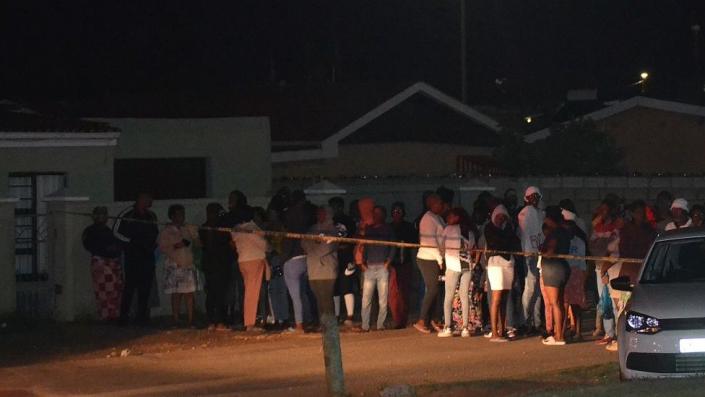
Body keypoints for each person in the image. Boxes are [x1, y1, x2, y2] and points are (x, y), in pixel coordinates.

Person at [114, 192, 159, 326]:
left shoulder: (151, 215)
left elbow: (155, 233)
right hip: (133, 256)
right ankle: (124, 316)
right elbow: (116, 232)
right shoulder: (128, 214)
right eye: (148, 199)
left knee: (145, 287)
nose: (151, 201)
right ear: (141, 199)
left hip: (147, 255)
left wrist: (152, 245)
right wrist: (132, 242)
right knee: (130, 286)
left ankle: (142, 316)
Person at [281, 190, 316, 332]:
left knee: (295, 295)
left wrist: (283, 258)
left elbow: (288, 243)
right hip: (306, 257)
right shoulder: (308, 215)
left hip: (292, 259)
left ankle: (299, 325)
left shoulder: (289, 218)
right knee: (304, 293)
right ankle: (309, 320)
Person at [438, 207, 476, 338]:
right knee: (464, 296)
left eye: (450, 216)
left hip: (453, 265)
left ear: (457, 217)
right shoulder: (470, 231)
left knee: (448, 296)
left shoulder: (448, 229)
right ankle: (465, 327)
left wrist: (443, 257)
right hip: (467, 266)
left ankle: (448, 326)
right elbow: (472, 248)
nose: (447, 219)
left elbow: (441, 246)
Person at [483, 205, 519, 342]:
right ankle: (494, 331)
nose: (501, 219)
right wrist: (506, 239)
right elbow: (496, 243)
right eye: (498, 216)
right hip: (496, 264)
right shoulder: (489, 228)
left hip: (508, 263)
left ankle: (502, 329)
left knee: (505, 298)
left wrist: (507, 235)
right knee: (496, 297)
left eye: (503, 217)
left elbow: (513, 242)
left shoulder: (509, 228)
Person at [358, 206, 396, 332]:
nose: (376, 216)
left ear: (384, 215)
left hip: (381, 266)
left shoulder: (388, 229)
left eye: (379, 213)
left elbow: (393, 246)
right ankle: (365, 325)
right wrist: (363, 262)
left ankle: (380, 325)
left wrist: (388, 261)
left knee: (383, 299)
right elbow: (365, 247)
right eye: (374, 213)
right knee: (366, 298)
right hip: (369, 265)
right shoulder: (369, 229)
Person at [82, 206, 123, 321]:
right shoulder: (90, 231)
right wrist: (107, 250)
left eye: (104, 214)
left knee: (114, 290)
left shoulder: (108, 231)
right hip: (100, 262)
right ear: (93, 216)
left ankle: (114, 314)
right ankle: (106, 315)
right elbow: (90, 246)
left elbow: (116, 246)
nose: (102, 217)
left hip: (112, 263)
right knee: (103, 291)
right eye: (99, 214)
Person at [159, 204, 198, 327]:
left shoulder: (187, 228)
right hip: (175, 265)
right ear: (172, 216)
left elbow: (198, 243)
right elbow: (163, 247)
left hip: (187, 264)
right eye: (179, 214)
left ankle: (191, 319)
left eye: (183, 214)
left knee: (190, 293)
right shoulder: (167, 231)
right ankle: (175, 319)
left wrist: (194, 234)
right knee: (176, 293)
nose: (182, 217)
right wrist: (178, 245)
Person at [590, 198, 622, 345]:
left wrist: (602, 244)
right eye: (600, 210)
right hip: (599, 266)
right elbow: (593, 246)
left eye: (605, 210)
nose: (602, 213)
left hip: (612, 267)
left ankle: (617, 334)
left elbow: (611, 248)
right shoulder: (597, 228)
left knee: (615, 300)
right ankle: (609, 333)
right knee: (604, 302)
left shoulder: (616, 226)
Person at [302, 206, 340, 327]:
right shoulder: (312, 229)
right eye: (318, 214)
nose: (320, 216)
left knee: (327, 298)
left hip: (327, 269)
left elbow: (327, 247)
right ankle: (322, 323)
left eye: (322, 214)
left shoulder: (333, 230)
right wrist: (316, 246)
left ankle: (330, 324)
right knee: (318, 299)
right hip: (314, 269)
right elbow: (303, 243)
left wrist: (313, 247)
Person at [414, 194, 446, 334]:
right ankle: (421, 320)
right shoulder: (428, 219)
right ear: (431, 204)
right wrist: (440, 259)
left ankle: (433, 319)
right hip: (428, 258)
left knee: (436, 290)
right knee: (432, 288)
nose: (441, 205)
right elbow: (429, 242)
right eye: (439, 203)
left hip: (435, 257)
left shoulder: (437, 217)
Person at [231, 213, 269, 332]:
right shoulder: (253, 229)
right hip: (254, 260)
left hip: (243, 260)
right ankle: (250, 323)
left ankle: (250, 321)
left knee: (249, 291)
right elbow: (264, 246)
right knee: (252, 292)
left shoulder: (235, 230)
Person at [540, 206, 572, 346]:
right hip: (563, 267)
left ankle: (558, 335)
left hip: (552, 268)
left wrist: (545, 251)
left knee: (554, 303)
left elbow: (551, 250)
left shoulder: (554, 233)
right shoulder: (565, 232)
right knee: (560, 301)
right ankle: (561, 333)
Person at [200, 203, 234, 331]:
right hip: (221, 264)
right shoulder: (222, 228)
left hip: (209, 265)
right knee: (221, 294)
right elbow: (230, 245)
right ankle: (220, 321)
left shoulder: (203, 227)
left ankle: (211, 321)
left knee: (211, 293)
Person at [518, 186, 544, 335]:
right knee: (530, 287)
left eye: (537, 196)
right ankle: (525, 320)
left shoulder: (539, 213)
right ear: (527, 198)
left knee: (538, 290)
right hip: (530, 254)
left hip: (540, 253)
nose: (535, 199)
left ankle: (537, 321)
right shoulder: (524, 213)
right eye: (532, 196)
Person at [329, 196, 357, 326]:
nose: (333, 209)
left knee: (347, 286)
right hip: (334, 258)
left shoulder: (349, 221)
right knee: (334, 288)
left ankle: (350, 316)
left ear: (340, 206)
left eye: (335, 206)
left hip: (347, 257)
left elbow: (352, 240)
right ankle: (336, 316)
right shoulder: (330, 221)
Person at [388, 202, 417, 329]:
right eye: (394, 212)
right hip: (391, 264)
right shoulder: (388, 227)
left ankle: (402, 319)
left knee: (404, 293)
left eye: (399, 212)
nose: (396, 214)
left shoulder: (408, 227)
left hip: (405, 262)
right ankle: (396, 319)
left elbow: (414, 242)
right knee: (393, 294)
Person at [561, 207, 588, 341]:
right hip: (565, 273)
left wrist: (583, 279)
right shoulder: (562, 239)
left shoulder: (579, 241)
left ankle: (578, 331)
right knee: (564, 304)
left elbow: (582, 262)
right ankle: (563, 331)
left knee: (576, 305)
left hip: (576, 274)